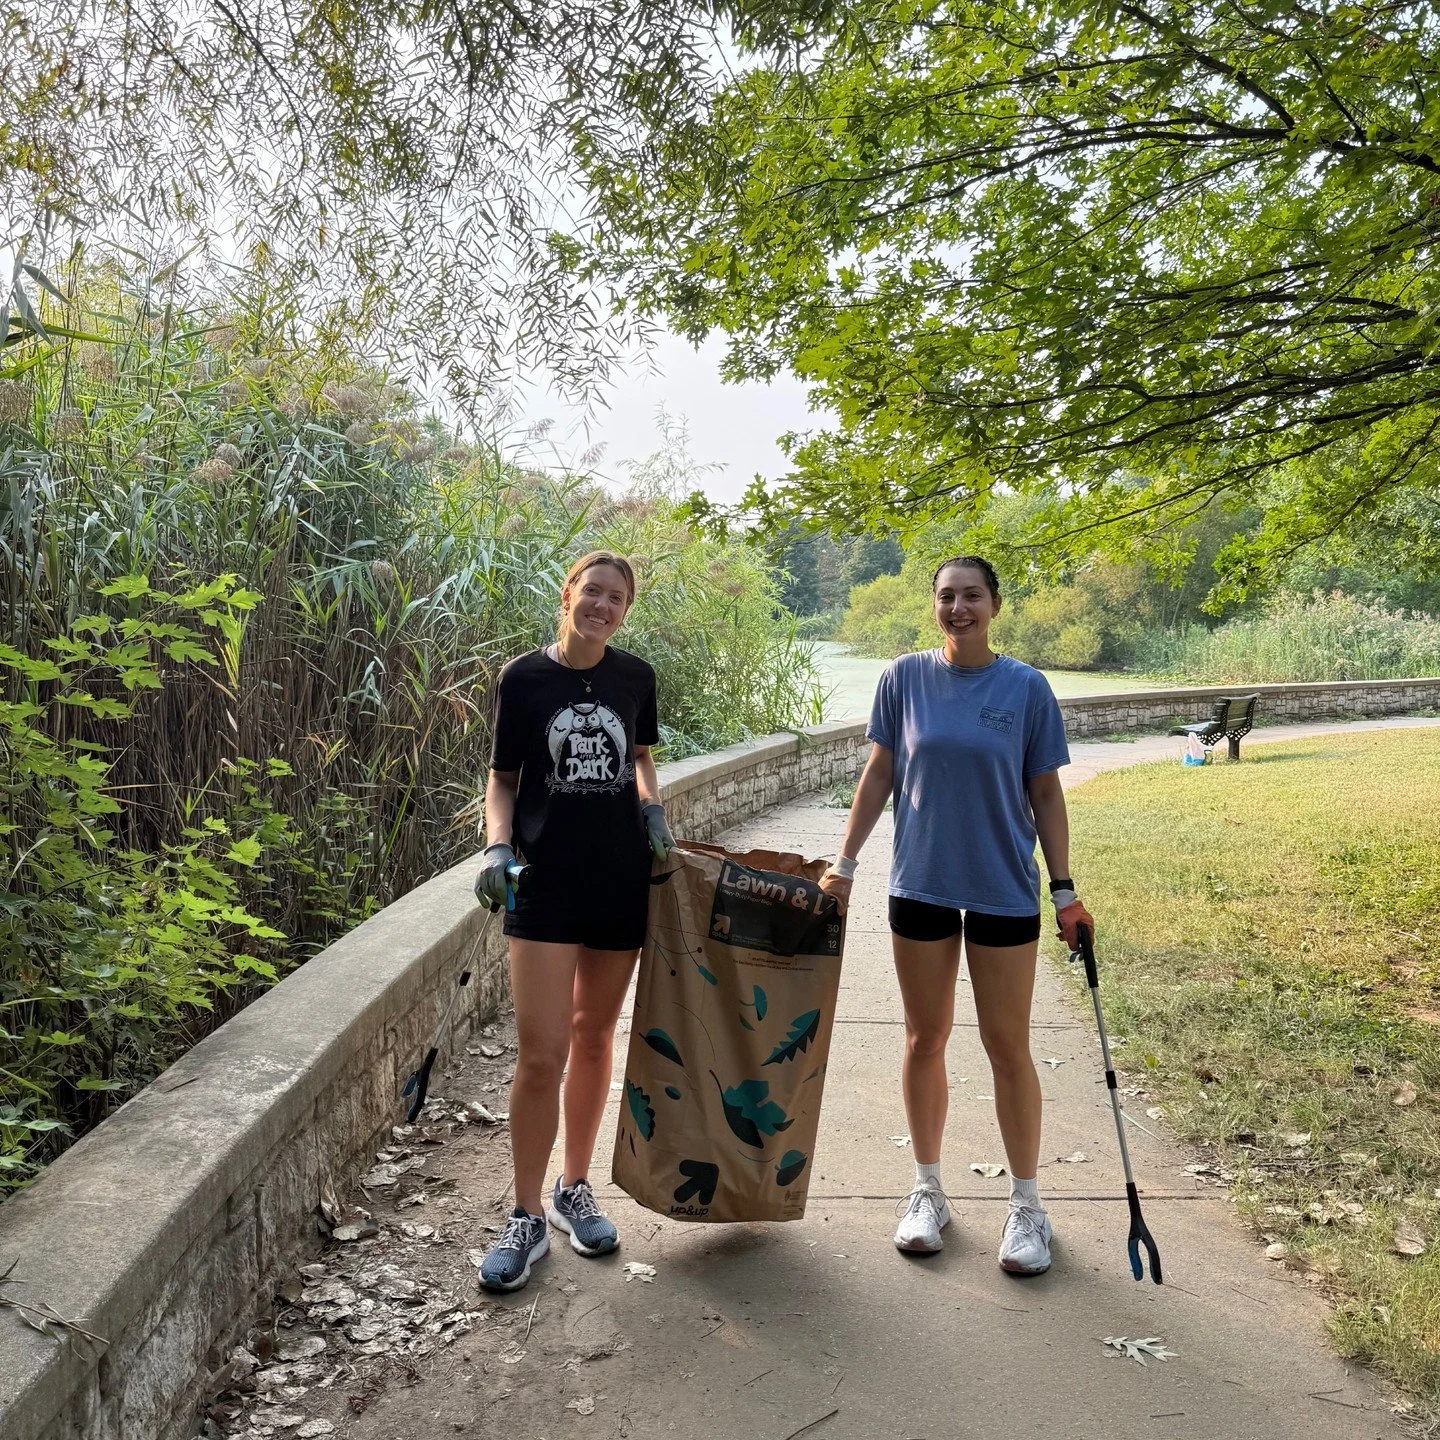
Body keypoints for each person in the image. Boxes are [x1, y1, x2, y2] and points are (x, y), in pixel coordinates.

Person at [819, 556, 1093, 1275]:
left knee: (1008, 1047)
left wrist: (1063, 890)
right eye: (947, 596)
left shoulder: (1027, 688)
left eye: (972, 595)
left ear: (995, 605)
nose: (958, 607)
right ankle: (927, 1192)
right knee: (923, 1039)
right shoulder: (903, 679)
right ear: (933, 606)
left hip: (1003, 886)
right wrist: (843, 864)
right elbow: (879, 773)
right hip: (921, 885)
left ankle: (1028, 1207)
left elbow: (1047, 794)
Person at [475, 551, 676, 1293]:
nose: (602, 604)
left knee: (594, 1038)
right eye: (592, 590)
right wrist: (497, 846)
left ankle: (574, 1189)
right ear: (568, 595)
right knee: (541, 1051)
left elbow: (644, 758)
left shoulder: (635, 678)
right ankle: (524, 1217)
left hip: (621, 880)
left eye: (616, 597)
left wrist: (652, 805)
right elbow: (503, 780)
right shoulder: (525, 679)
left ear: (625, 610)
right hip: (545, 883)